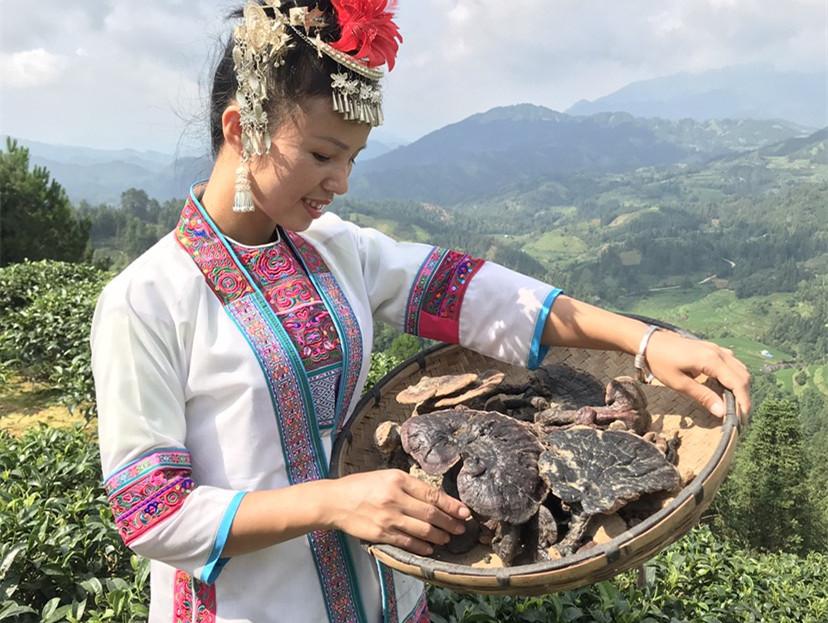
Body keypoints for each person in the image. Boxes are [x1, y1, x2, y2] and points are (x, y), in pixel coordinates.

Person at [90, 2, 751, 622]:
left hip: (389, 597)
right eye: (322, 154)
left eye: (351, 157)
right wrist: (332, 500)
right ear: (242, 128)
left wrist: (647, 342)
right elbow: (153, 515)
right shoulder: (146, 302)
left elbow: (479, 295)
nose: (340, 181)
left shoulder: (334, 251)